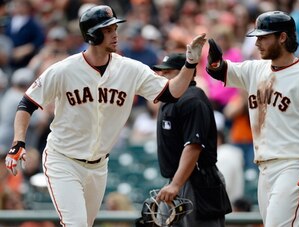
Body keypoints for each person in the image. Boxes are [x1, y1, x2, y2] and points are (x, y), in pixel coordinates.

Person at [4, 5, 206, 227]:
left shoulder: (130, 69)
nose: (115, 33)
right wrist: (18, 142)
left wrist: (189, 65)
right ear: (93, 34)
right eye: (108, 29)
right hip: (63, 160)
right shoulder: (64, 70)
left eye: (114, 28)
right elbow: (27, 103)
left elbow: (170, 92)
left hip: (99, 165)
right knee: (76, 224)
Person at [206, 11, 299, 227]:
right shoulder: (256, 69)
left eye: (263, 37)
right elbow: (221, 71)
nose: (257, 43)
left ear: (282, 37)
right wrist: (215, 63)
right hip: (264, 167)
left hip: (294, 165)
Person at [153, 53, 231, 227]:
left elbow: (194, 146)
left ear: (186, 73)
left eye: (167, 72)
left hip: (198, 182)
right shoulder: (170, 99)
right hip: (177, 180)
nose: (161, 75)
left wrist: (176, 184)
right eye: (161, 71)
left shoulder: (193, 100)